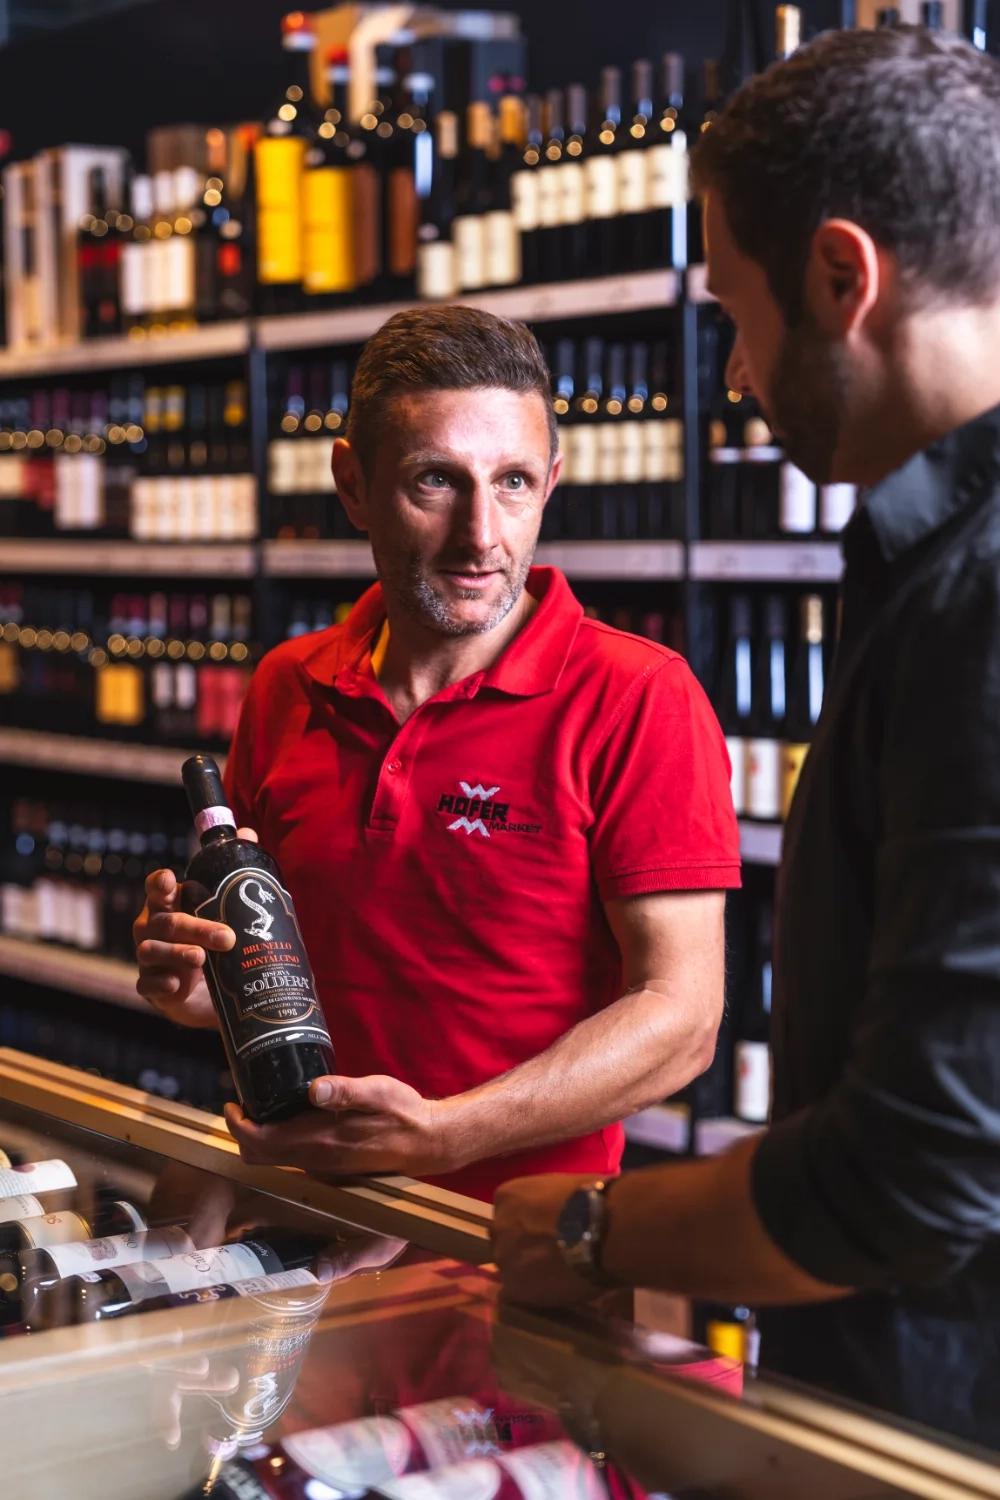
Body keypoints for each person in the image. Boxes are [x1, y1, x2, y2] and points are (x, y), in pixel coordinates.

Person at [493, 25, 1000, 1448]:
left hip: (940, 1436)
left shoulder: (983, 594)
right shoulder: (932, 563)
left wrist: (591, 1230)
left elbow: (916, 1175)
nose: (728, 373)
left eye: (732, 309)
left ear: (844, 277)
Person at [133, 305, 740, 1203]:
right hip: (301, 1219)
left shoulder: (638, 698)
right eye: (435, 483)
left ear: (552, 483)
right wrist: (204, 982)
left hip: (519, 1254)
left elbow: (681, 1019)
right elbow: (286, 974)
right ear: (353, 484)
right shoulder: (288, 686)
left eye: (514, 483)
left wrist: (445, 1135)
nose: (481, 536)